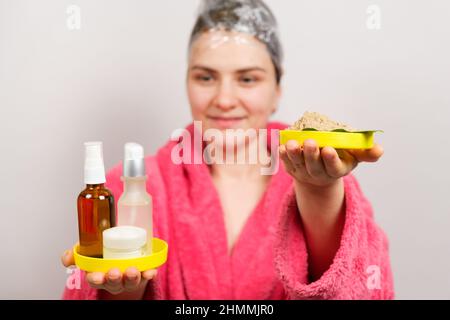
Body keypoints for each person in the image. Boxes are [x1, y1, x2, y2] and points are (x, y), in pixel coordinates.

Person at [62, 0, 393, 300]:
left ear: (277, 90)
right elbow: (88, 288)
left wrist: (319, 191)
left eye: (247, 79)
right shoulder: (129, 185)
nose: (223, 99)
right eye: (205, 77)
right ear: (187, 81)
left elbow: (360, 288)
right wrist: (124, 295)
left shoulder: (325, 173)